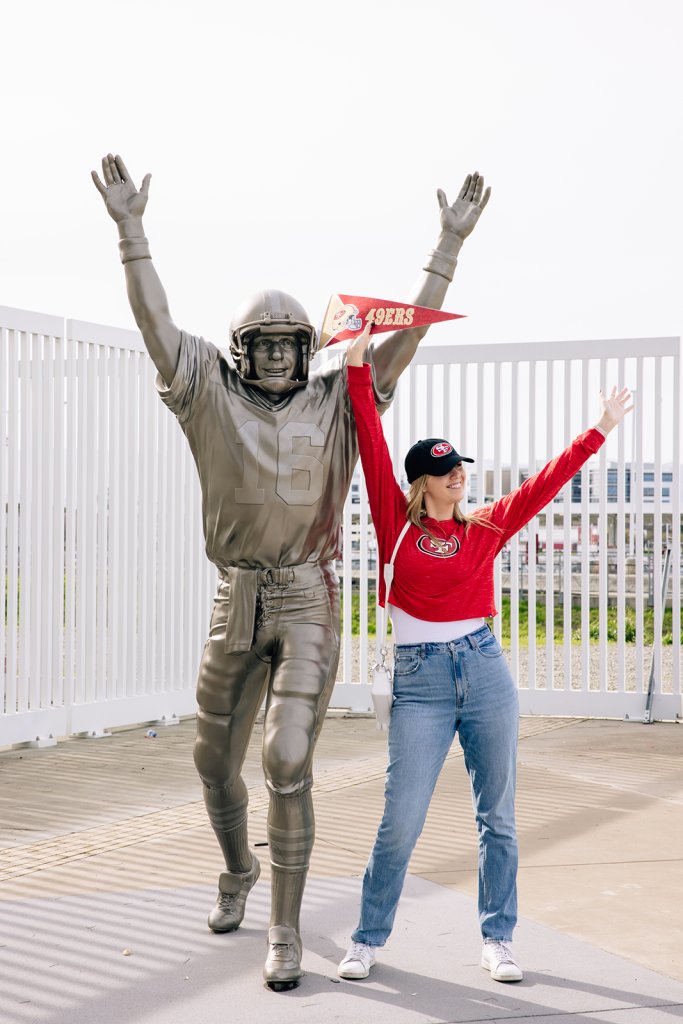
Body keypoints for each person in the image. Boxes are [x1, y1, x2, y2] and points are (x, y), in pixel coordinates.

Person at [91, 154, 491, 990]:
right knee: (212, 762)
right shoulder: (205, 389)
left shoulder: (339, 400)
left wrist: (444, 248)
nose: (276, 356)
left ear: (307, 348)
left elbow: (403, 338)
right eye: (262, 344)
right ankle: (237, 868)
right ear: (240, 350)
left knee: (286, 759)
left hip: (307, 596)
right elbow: (155, 321)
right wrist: (131, 232)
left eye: (289, 344)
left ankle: (282, 927)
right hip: (234, 596)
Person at [338, 323, 632, 984]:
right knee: (400, 819)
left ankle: (498, 939)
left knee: (496, 816)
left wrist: (599, 429)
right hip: (419, 681)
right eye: (445, 471)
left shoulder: (484, 525)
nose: (458, 476)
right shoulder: (394, 523)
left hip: (484, 670)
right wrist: (357, 367)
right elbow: (369, 438)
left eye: (459, 467)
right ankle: (365, 937)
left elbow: (542, 485)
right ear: (421, 482)